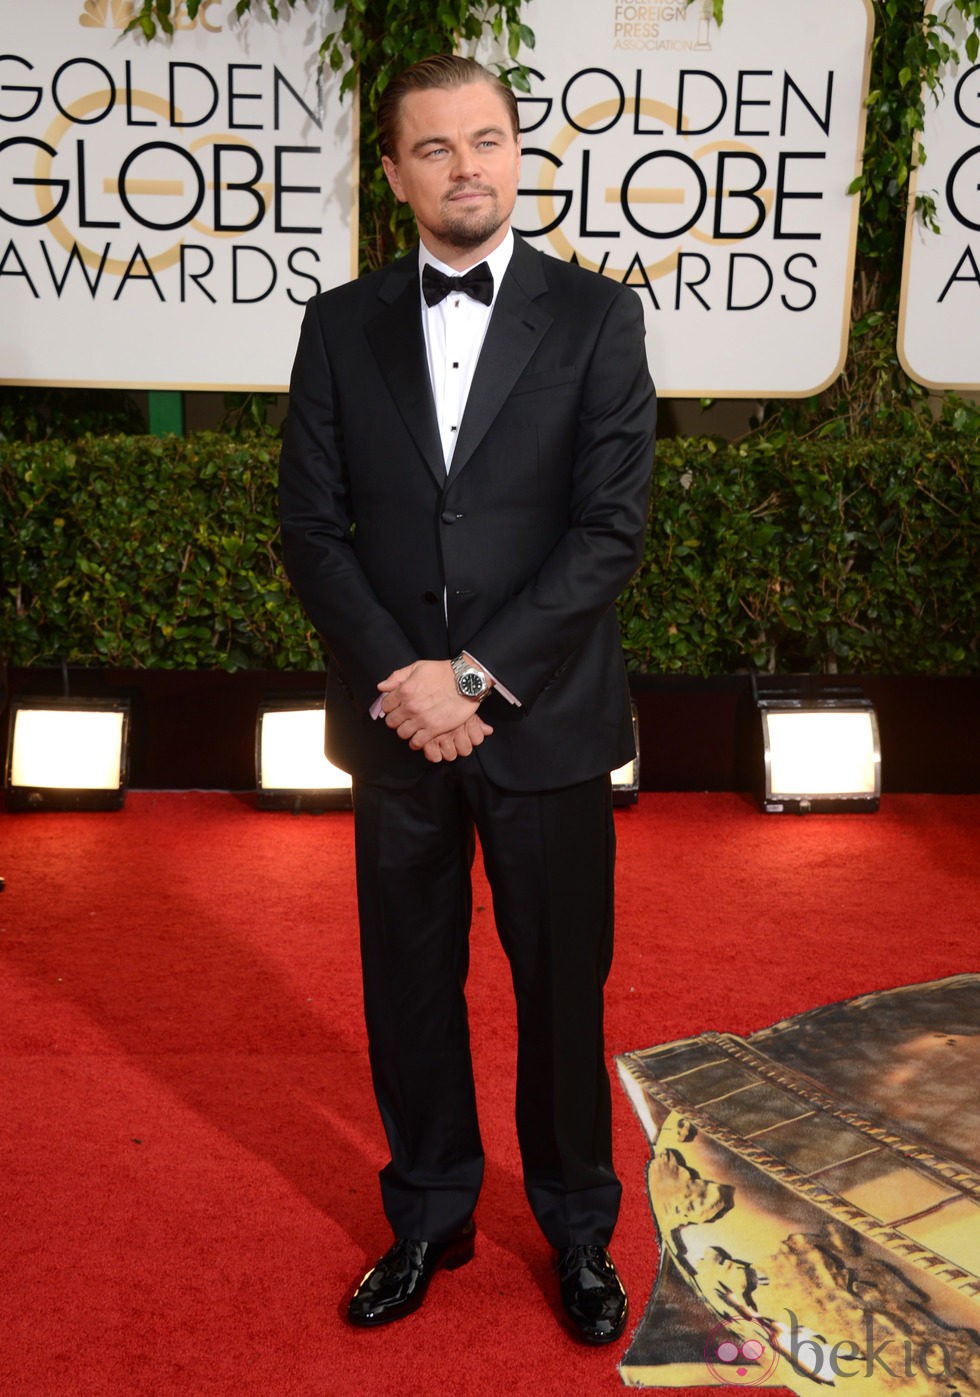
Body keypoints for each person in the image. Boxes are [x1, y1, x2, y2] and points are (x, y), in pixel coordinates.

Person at [278, 53, 656, 1344]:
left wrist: (477, 680)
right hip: (397, 726)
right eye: (434, 147)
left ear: (518, 153)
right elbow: (311, 531)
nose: (466, 167)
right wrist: (409, 684)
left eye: (486, 140)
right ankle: (429, 1213)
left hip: (544, 721)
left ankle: (578, 1227)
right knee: (408, 984)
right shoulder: (339, 325)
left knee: (562, 988)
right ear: (392, 173)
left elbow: (608, 533)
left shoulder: (597, 318)